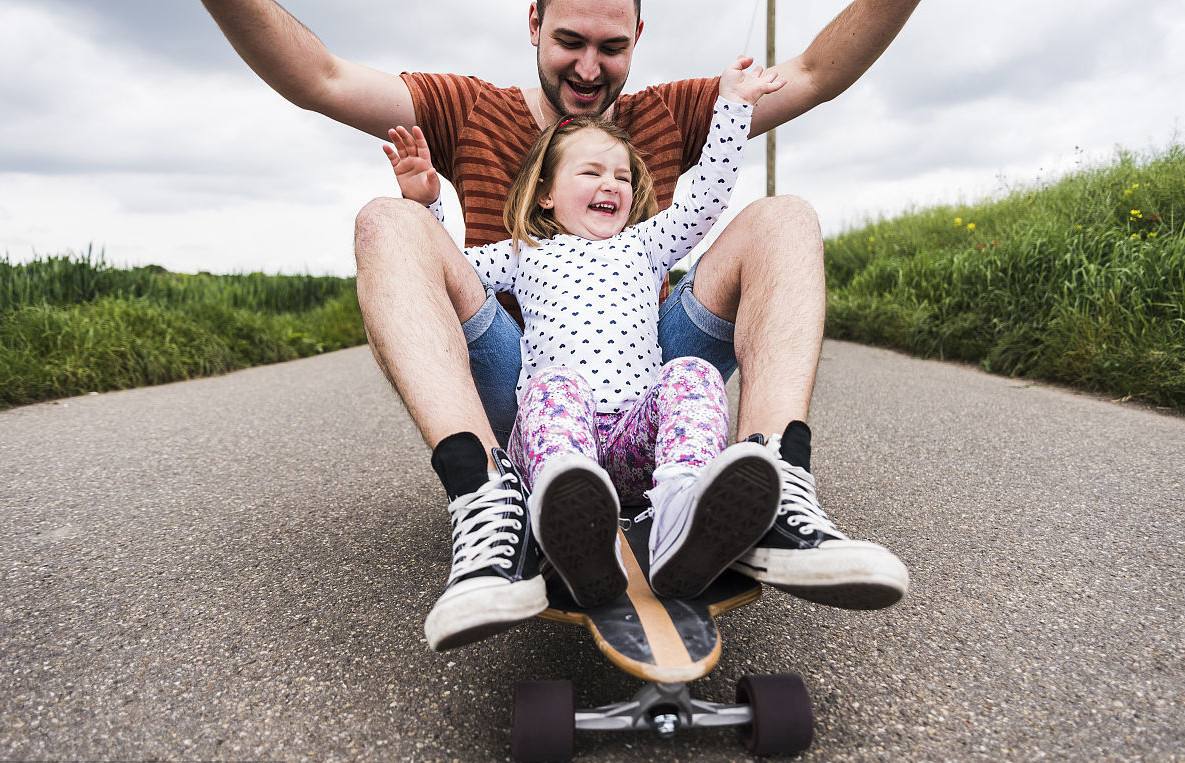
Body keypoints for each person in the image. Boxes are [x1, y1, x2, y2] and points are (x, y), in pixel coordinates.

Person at [201, 0, 918, 651]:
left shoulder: (666, 128)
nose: (586, 67)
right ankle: (490, 496)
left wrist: (730, 109)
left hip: (645, 382)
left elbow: (816, 74)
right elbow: (318, 77)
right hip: (532, 387)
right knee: (384, 221)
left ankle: (773, 485)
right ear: (533, 22)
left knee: (784, 215)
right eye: (568, 40)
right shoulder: (472, 117)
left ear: (638, 37)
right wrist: (421, 209)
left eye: (609, 47)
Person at [387, 58, 788, 646]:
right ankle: (562, 519)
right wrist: (427, 206)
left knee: (693, 372)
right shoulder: (522, 253)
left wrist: (733, 108)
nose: (611, 185)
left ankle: (682, 511)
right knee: (554, 385)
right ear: (546, 194)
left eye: (623, 177)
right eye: (591, 172)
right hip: (556, 440)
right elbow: (445, 275)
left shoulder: (647, 244)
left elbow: (704, 200)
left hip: (633, 439)